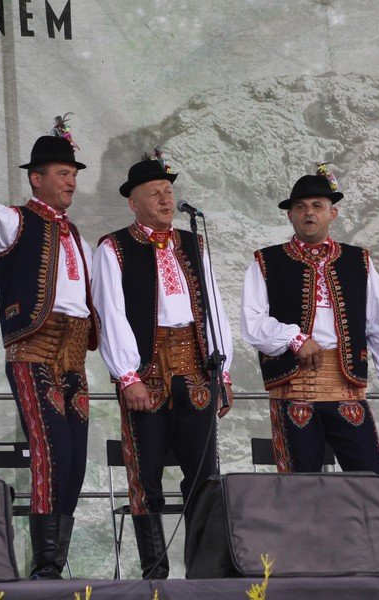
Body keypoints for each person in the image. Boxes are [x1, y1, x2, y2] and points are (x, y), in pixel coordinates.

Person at [0, 119, 98, 579]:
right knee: (53, 453)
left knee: (75, 462)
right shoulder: (16, 221)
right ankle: (46, 569)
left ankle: (54, 563)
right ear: (37, 178)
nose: (71, 181)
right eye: (62, 173)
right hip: (34, 351)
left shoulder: (78, 238)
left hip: (73, 357)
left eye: (73, 174)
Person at [92, 153, 234, 579]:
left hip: (196, 370)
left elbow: (214, 308)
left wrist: (222, 371)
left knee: (204, 478)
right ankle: (154, 574)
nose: (165, 199)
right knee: (146, 477)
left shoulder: (193, 243)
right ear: (133, 202)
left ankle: (203, 573)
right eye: (154, 193)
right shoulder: (114, 246)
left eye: (168, 191)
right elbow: (110, 313)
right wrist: (127, 375)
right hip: (147, 374)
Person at [240, 164, 379, 475]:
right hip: (294, 387)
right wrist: (295, 338)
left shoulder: (358, 261)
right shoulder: (267, 261)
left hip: (346, 386)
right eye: (300, 207)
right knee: (301, 483)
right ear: (290, 215)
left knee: (368, 478)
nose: (309, 212)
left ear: (333, 213)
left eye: (317, 205)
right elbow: (252, 322)